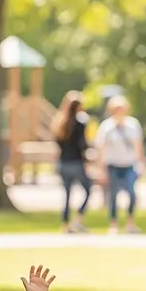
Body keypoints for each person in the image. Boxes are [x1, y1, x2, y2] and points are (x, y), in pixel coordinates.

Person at [95, 95, 145, 234]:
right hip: (113, 165)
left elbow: (138, 146)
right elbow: (101, 148)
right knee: (113, 195)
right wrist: (101, 168)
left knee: (131, 193)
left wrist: (141, 163)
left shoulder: (133, 124)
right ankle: (114, 224)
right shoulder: (106, 126)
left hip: (129, 164)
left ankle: (130, 223)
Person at [52, 91, 92, 233]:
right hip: (76, 162)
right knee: (88, 190)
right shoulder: (80, 124)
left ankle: (66, 224)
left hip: (63, 162)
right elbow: (82, 144)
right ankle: (79, 217)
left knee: (67, 195)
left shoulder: (60, 123)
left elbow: (58, 143)